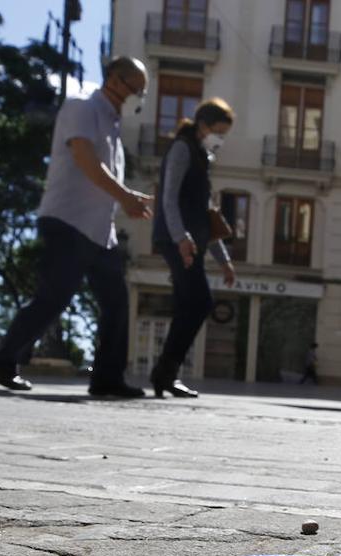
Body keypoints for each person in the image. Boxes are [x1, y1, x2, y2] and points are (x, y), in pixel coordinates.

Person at [0, 57, 153, 397]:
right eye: (137, 89)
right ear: (116, 81)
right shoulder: (82, 107)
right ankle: (2, 360)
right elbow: (84, 157)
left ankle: (107, 378)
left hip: (98, 230)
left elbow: (102, 172)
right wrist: (126, 196)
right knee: (53, 297)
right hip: (67, 220)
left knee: (116, 303)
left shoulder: (113, 124)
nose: (138, 97)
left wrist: (123, 203)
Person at [149, 99, 237, 399]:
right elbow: (169, 198)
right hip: (177, 239)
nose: (221, 139)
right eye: (218, 132)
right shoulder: (182, 149)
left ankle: (166, 374)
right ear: (202, 126)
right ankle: (165, 372)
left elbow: (207, 214)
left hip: (190, 240)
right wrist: (181, 238)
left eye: (225, 134)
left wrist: (223, 260)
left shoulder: (202, 155)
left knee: (191, 304)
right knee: (199, 302)